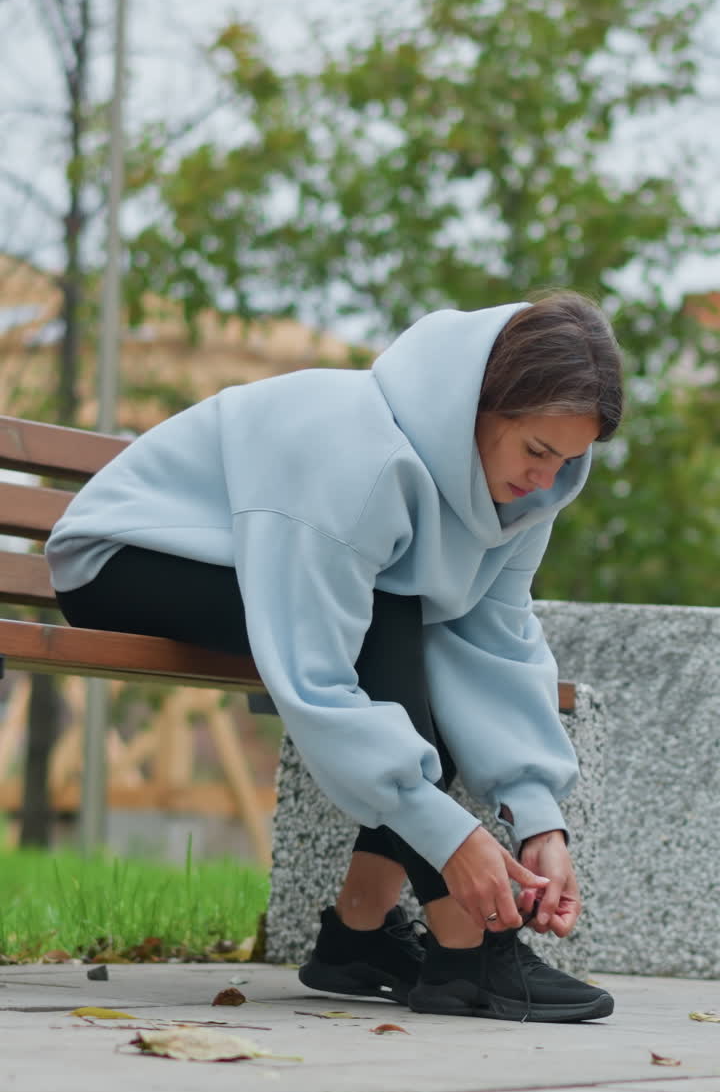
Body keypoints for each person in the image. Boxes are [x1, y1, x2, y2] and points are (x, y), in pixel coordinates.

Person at [46, 290, 623, 1024]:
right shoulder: (357, 452)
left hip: (272, 569)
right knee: (392, 616)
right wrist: (452, 839)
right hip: (125, 557)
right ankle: (466, 943)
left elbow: (498, 642)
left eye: (569, 460)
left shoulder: (529, 495)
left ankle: (357, 938)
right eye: (536, 450)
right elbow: (314, 678)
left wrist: (540, 818)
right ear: (474, 404)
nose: (546, 480)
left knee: (410, 632)